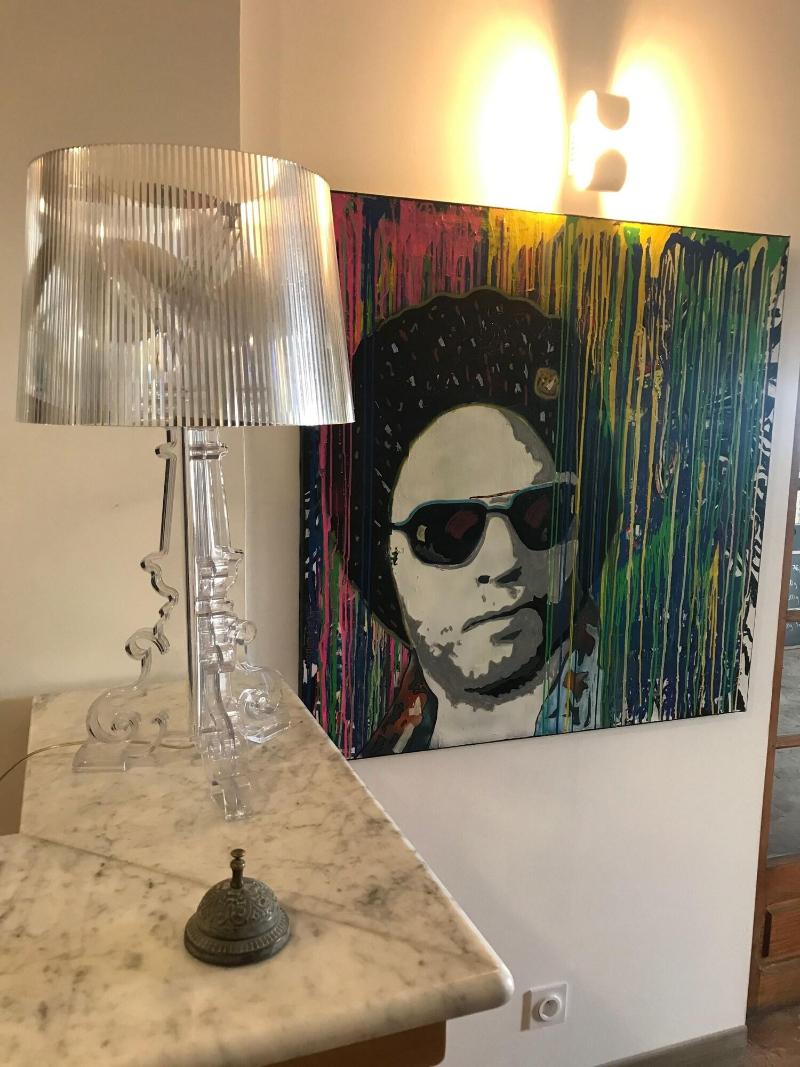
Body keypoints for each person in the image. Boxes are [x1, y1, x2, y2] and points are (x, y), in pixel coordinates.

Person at [333, 288, 619, 754]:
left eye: (540, 516)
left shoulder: (639, 703)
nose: (506, 559)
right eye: (451, 532)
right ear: (384, 557)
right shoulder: (377, 762)